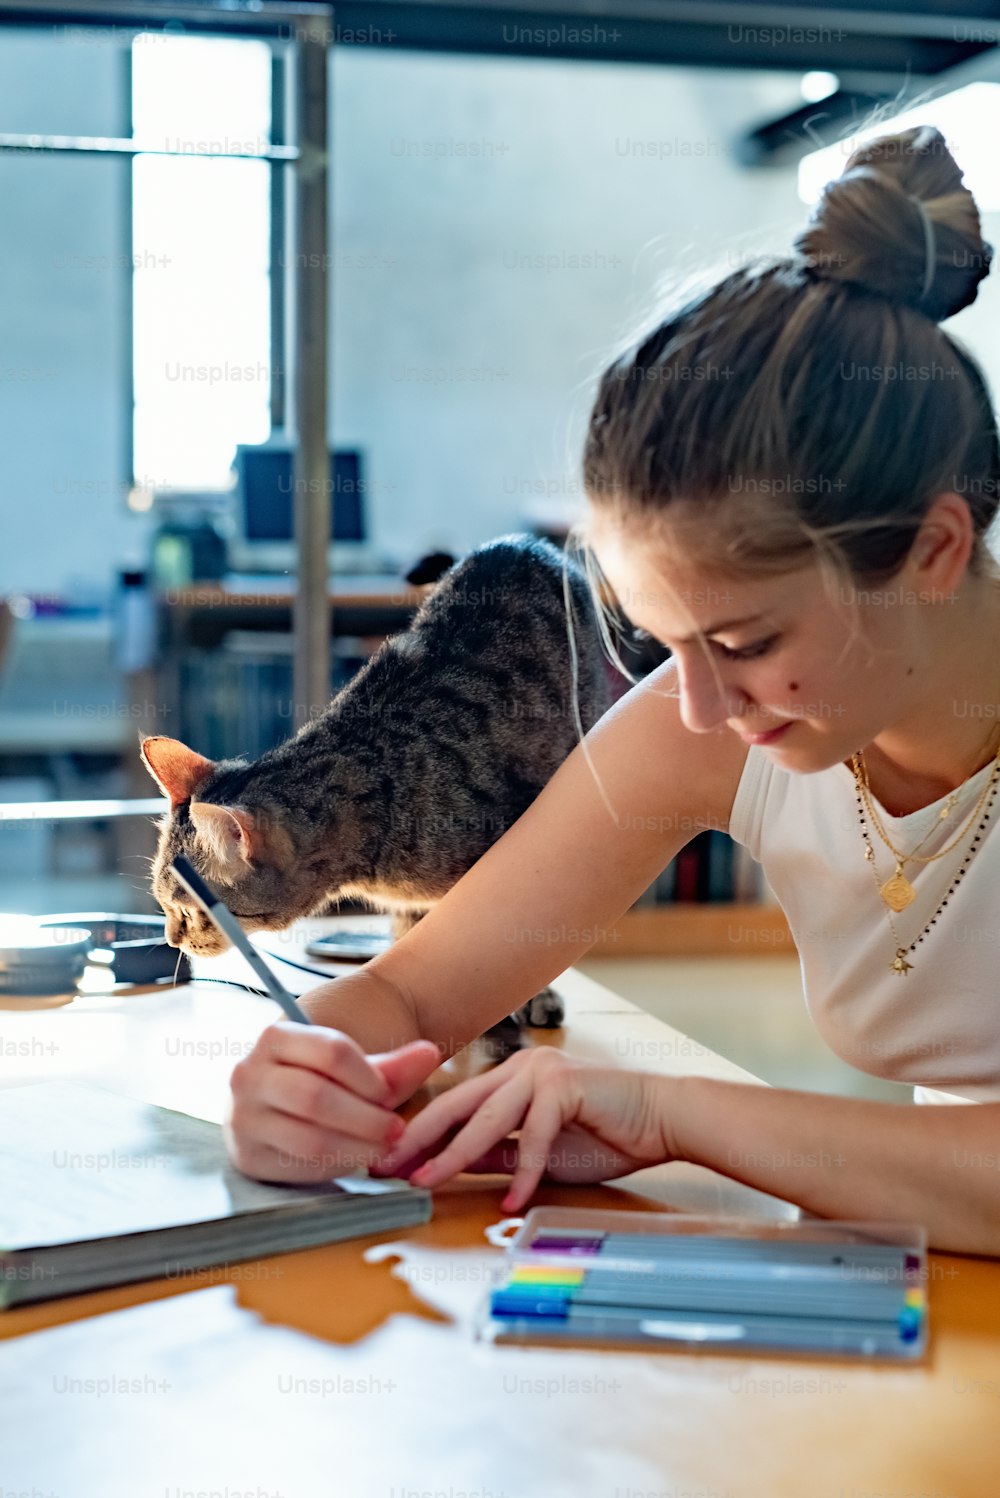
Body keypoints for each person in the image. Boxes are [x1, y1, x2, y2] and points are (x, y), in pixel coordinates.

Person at [224, 125, 1000, 1255]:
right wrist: (300, 1080)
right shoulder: (715, 722)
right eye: (662, 640)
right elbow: (407, 996)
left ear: (933, 550)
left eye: (743, 639)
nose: (694, 708)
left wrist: (664, 1113)